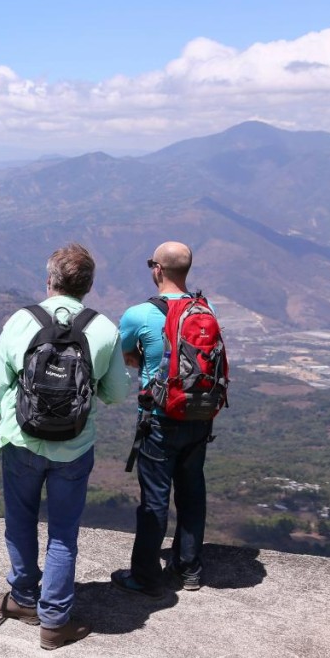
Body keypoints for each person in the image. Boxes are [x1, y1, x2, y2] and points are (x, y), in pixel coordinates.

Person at [0, 242, 129, 650]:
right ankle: (55, 622)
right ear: (89, 286)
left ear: (49, 281)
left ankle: (24, 598)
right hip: (75, 448)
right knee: (63, 533)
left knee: (20, 520)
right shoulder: (103, 329)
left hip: (22, 441)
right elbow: (116, 394)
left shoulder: (22, 321)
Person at [111, 241, 215, 597]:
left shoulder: (138, 315)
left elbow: (124, 355)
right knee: (192, 491)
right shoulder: (206, 308)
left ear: (157, 269)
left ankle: (145, 576)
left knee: (155, 500)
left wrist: (147, 364)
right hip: (199, 415)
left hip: (158, 419)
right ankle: (189, 569)